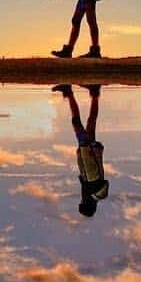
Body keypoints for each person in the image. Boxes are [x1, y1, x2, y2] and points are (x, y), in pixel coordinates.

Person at [52, 83, 108, 216]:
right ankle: (72, 92)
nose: (81, 200)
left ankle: (91, 93)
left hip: (89, 147)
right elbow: (89, 167)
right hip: (87, 147)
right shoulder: (92, 188)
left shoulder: (95, 190)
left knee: (89, 121)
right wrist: (83, 148)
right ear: (87, 204)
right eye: (82, 203)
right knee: (79, 121)